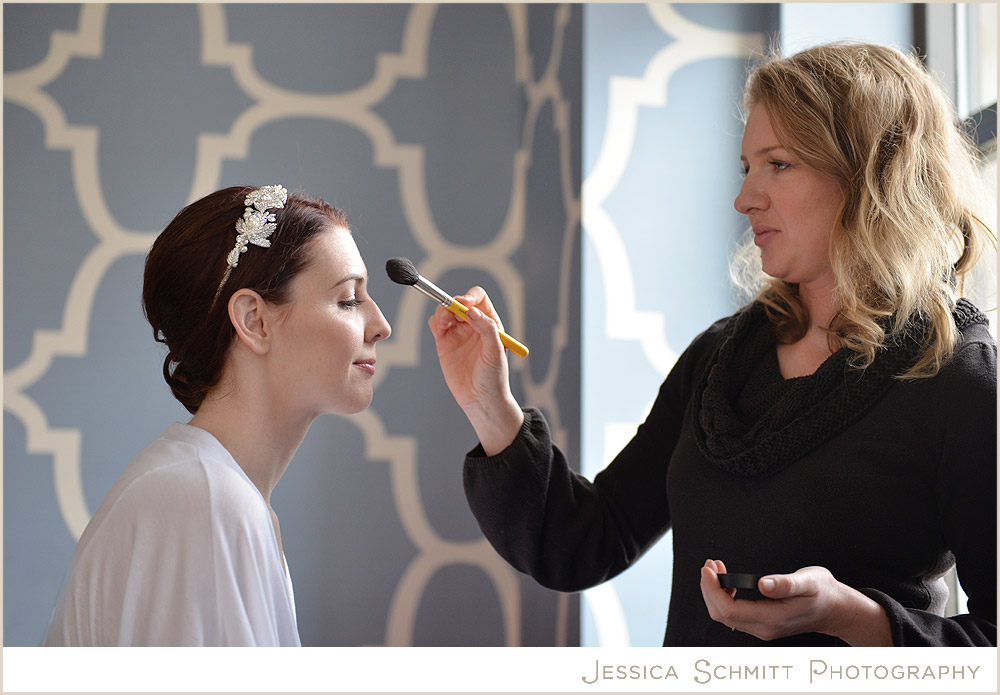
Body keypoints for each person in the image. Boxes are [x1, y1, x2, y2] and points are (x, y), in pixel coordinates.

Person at [428, 42, 996, 646]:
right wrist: (489, 403)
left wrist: (851, 617)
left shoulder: (958, 379)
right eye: (745, 168)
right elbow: (586, 542)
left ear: (872, 173)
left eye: (777, 164)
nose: (745, 198)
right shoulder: (721, 360)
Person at [44, 185, 391, 646]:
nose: (381, 325)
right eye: (349, 298)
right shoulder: (203, 498)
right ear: (254, 320)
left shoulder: (212, 491)